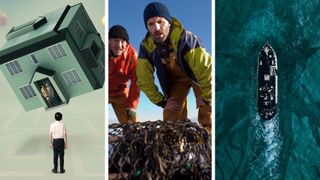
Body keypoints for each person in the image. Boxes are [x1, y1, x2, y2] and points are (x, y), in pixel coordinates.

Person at [136, 2, 212, 133]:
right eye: (151, 24)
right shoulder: (146, 47)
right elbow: (144, 79)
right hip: (176, 82)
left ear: (169, 22)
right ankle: (177, 147)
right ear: (147, 27)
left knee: (208, 110)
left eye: (161, 22)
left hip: (197, 77)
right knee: (171, 115)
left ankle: (209, 142)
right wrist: (162, 102)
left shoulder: (187, 40)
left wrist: (206, 98)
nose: (157, 27)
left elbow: (206, 70)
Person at [109, 25, 140, 124]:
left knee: (131, 124)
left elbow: (136, 80)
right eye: (116, 40)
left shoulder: (132, 55)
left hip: (120, 92)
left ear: (127, 44)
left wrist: (132, 106)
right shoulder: (101, 49)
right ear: (109, 41)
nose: (119, 45)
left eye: (123, 41)